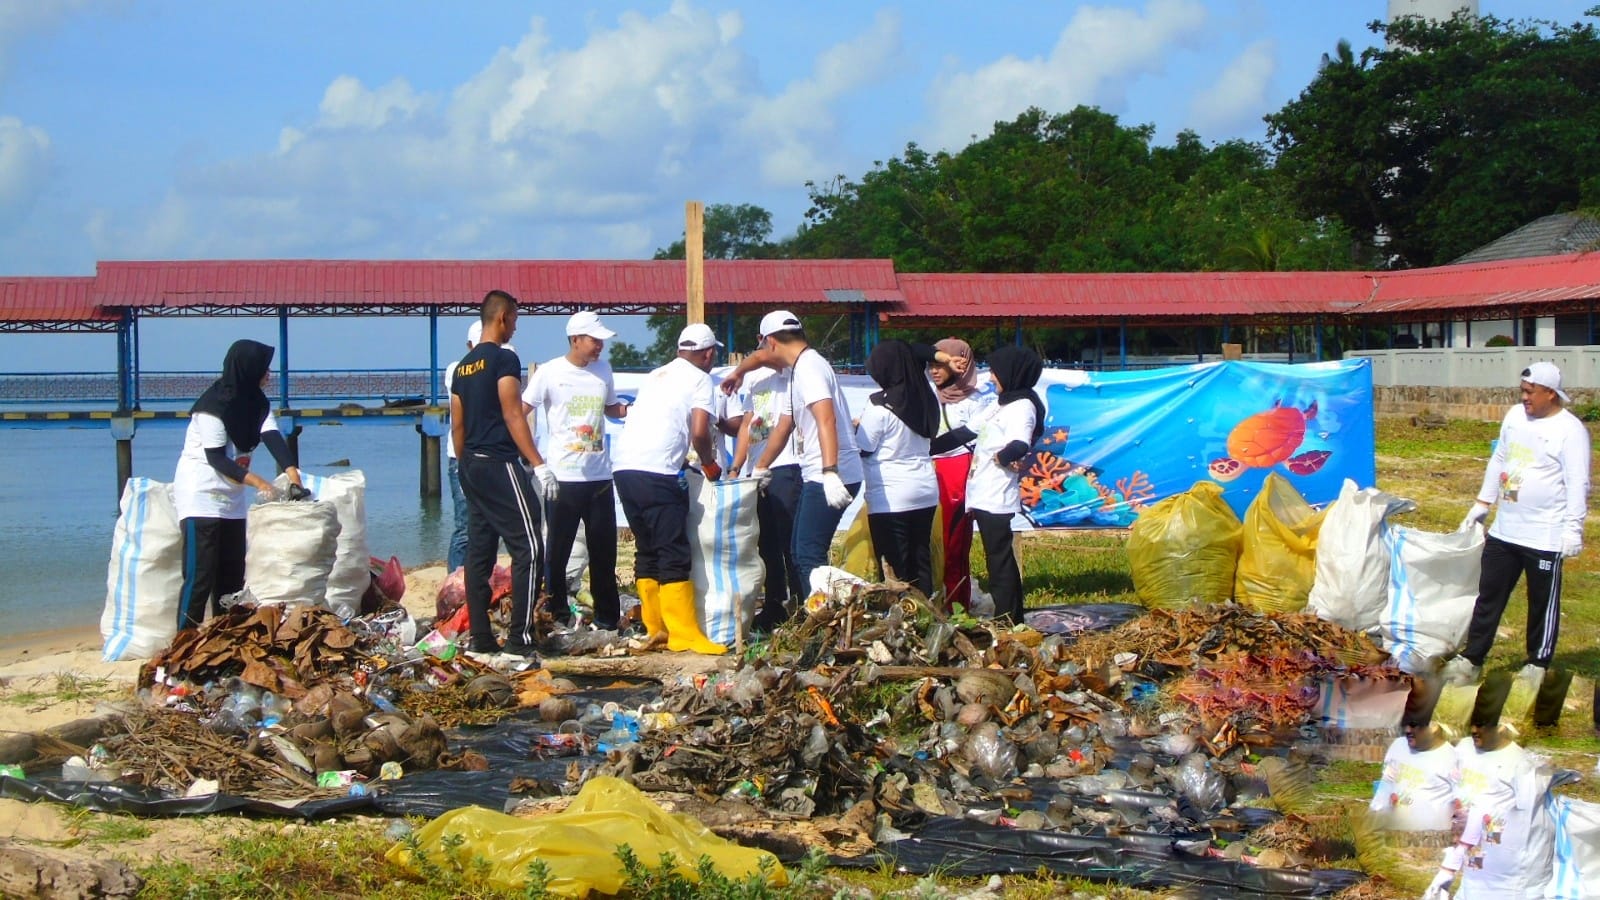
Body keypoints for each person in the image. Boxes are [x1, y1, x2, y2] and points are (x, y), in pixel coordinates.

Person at [1442, 361, 1591, 685]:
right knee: (1488, 597)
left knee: (1541, 604)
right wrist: (1482, 503)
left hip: (1545, 535)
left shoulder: (1570, 431)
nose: (1524, 397)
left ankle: (1537, 664)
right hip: (1505, 531)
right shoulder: (1514, 417)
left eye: (1530, 392)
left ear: (1550, 394)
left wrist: (1572, 529)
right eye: (1522, 391)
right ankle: (1472, 659)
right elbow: (1500, 459)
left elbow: (1578, 482)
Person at [611, 323, 727, 654]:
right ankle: (684, 634)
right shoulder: (700, 379)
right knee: (674, 550)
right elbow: (700, 431)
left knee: (647, 548)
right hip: (657, 470)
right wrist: (708, 464)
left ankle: (655, 628)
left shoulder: (657, 375)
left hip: (624, 468)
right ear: (708, 354)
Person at [173, 339, 305, 630]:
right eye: (264, 369)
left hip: (232, 499)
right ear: (247, 369)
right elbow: (218, 460)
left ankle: (224, 637)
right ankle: (183, 644)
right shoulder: (212, 407)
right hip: (201, 496)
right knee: (200, 576)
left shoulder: (256, 403)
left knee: (232, 577)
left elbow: (272, 438)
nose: (268, 375)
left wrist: (293, 475)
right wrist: (259, 482)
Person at [450, 290, 547, 657]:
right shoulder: (504, 360)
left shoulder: (463, 367)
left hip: (471, 463)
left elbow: (457, 426)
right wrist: (538, 463)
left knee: (479, 553)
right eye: (516, 320)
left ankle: (481, 639)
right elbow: (512, 414)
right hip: (498, 462)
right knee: (531, 548)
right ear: (503, 317)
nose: (515, 328)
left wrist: (464, 466)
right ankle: (518, 642)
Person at [738, 311, 863, 594]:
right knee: (798, 550)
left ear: (770, 342)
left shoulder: (809, 367)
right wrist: (761, 466)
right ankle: (818, 616)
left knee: (807, 554)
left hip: (832, 472)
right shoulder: (798, 370)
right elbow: (785, 425)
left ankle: (822, 622)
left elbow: (825, 418)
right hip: (819, 471)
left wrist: (830, 472)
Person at [521, 311, 628, 630]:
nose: (599, 347)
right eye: (594, 340)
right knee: (558, 551)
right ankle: (557, 613)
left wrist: (628, 409)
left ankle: (608, 619)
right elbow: (521, 412)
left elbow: (610, 407)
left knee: (604, 552)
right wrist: (536, 462)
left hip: (599, 478)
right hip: (562, 478)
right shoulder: (551, 372)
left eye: (601, 341)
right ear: (575, 340)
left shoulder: (603, 370)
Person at [856, 340, 948, 599]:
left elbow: (864, 445)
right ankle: (926, 617)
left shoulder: (879, 405)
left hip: (891, 495)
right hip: (925, 489)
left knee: (894, 567)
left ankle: (898, 623)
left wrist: (855, 427)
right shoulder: (926, 398)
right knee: (921, 560)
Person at [731, 316, 805, 631]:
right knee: (766, 544)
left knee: (792, 542)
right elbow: (748, 422)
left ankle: (803, 603)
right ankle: (775, 604)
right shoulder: (754, 378)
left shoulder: (795, 368)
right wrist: (737, 465)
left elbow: (764, 357)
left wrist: (738, 369)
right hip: (756, 470)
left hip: (788, 465)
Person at [965, 345, 1044, 622]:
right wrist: (927, 446)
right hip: (982, 492)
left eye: (995, 373)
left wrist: (1001, 456)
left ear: (1011, 373)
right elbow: (965, 432)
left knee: (999, 559)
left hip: (996, 494)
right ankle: (1009, 616)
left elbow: (1020, 443)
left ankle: (1009, 619)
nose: (990, 378)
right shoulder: (1002, 403)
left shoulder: (1023, 406)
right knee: (995, 557)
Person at [443, 321, 514, 574]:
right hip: (462, 456)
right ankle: (455, 579)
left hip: (488, 457)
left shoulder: (499, 361)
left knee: (488, 525)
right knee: (465, 526)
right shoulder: (458, 370)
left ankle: (481, 577)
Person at [928, 338, 989, 612]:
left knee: (954, 546)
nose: (934, 371)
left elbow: (975, 437)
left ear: (961, 366)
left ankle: (955, 606)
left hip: (958, 473)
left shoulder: (977, 401)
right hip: (928, 474)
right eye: (931, 364)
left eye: (940, 365)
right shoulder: (927, 395)